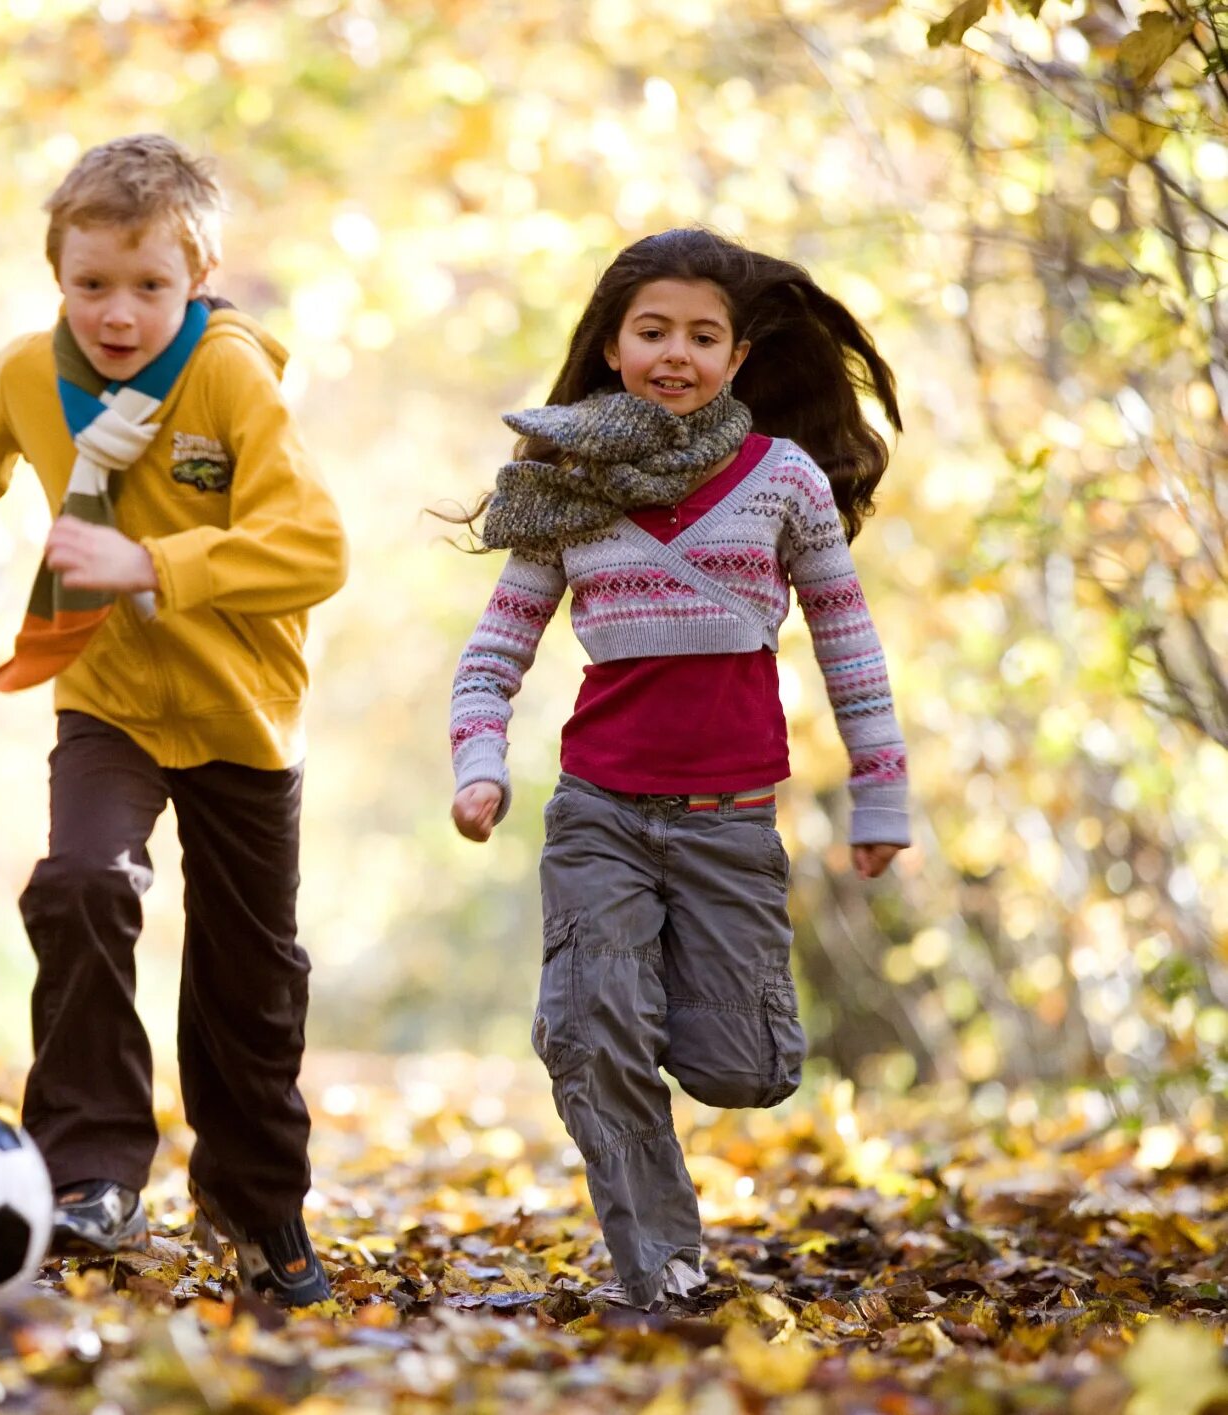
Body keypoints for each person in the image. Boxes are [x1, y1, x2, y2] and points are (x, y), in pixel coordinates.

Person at [0, 134, 346, 1307]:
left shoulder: (233, 380)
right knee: (82, 882)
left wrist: (151, 560)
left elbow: (315, 546)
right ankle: (90, 1170)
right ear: (58, 277)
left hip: (244, 711)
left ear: (196, 279)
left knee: (250, 977)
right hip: (107, 694)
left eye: (148, 286)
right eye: (91, 283)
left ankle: (256, 1206)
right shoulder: (29, 374)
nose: (117, 312)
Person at [444, 227, 909, 1312]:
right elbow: (493, 647)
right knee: (588, 1033)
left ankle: (668, 1020)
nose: (675, 353)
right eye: (651, 330)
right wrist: (479, 761)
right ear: (611, 344)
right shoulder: (566, 482)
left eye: (703, 336)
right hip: (598, 809)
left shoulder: (781, 481)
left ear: (738, 358)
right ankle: (663, 1268)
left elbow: (848, 640)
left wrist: (880, 791)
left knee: (745, 1068)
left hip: (730, 820)